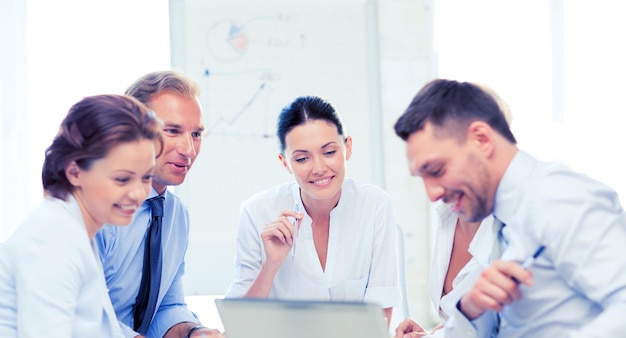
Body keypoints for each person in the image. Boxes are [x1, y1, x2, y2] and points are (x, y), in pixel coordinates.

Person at [393, 79, 626, 337]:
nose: (433, 193)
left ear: (482, 139)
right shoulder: (501, 219)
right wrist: (471, 310)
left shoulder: (559, 196)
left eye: (437, 170)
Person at [225, 95, 401, 326]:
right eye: (302, 158)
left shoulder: (375, 205)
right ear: (285, 162)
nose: (319, 168)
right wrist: (271, 264)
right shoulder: (256, 212)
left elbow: (380, 312)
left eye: (329, 152)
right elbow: (240, 324)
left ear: (347, 148)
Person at [0, 94, 162, 337]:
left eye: (146, 177)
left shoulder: (74, 230)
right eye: (122, 179)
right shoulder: (52, 239)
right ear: (75, 171)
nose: (139, 192)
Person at [95, 71, 224, 338]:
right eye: (172, 131)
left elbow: (167, 306)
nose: (188, 149)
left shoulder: (176, 215)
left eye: (196, 134)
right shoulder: (96, 208)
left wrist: (193, 332)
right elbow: (81, 313)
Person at [394, 84, 512, 338]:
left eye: (437, 169)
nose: (432, 193)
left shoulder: (517, 227)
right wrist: (432, 335)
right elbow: (472, 323)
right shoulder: (449, 213)